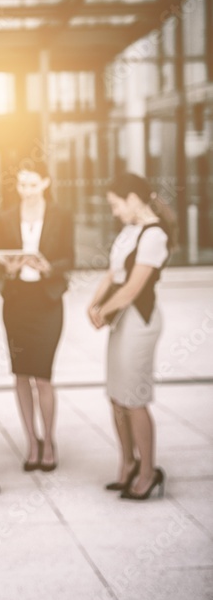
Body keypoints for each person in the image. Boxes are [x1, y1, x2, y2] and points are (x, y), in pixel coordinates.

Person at [87, 172, 172, 501]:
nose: (114, 211)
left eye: (116, 204)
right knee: (116, 396)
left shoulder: (154, 235)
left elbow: (134, 288)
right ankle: (128, 463)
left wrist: (102, 311)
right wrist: (94, 303)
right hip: (122, 320)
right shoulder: (129, 231)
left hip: (139, 320)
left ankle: (149, 472)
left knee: (134, 399)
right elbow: (113, 274)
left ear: (133, 199)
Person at [0, 160, 73, 472]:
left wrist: (49, 267)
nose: (25, 191)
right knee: (21, 374)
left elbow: (70, 258)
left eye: (31, 184)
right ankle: (31, 441)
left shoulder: (61, 216)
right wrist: (9, 267)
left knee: (43, 376)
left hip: (47, 303)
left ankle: (49, 441)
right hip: (16, 303)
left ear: (45, 183)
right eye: (21, 184)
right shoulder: (5, 217)